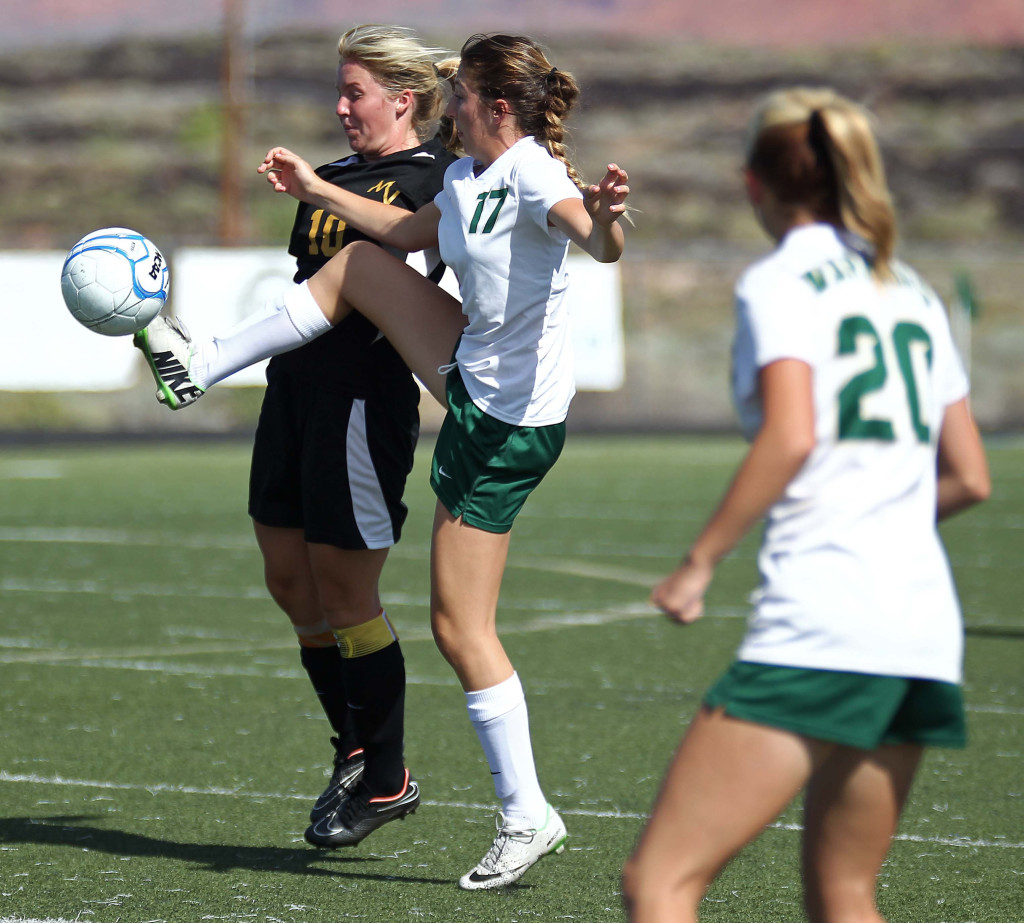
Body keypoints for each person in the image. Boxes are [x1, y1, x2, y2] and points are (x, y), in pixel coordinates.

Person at [134, 33, 629, 889]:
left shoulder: (531, 173)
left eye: (462, 99)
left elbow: (598, 241)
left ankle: (526, 816)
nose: (451, 110)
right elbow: (401, 229)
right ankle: (201, 362)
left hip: (506, 424)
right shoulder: (467, 177)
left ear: (495, 108)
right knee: (361, 261)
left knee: (459, 628)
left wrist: (611, 214)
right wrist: (317, 186)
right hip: (468, 373)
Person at [621, 87, 990, 923]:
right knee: (845, 893)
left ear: (755, 184)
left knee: (661, 883)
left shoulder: (779, 282)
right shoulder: (911, 289)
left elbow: (790, 435)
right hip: (922, 626)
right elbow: (970, 476)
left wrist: (699, 561)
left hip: (828, 620)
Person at [143, 25, 460, 850]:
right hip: (294, 393)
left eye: (355, 92)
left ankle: (385, 776)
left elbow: (404, 253)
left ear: (405, 99)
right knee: (290, 582)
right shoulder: (345, 175)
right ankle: (354, 746)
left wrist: (317, 188)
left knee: (347, 593)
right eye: (341, 91)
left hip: (362, 400)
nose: (341, 106)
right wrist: (321, 186)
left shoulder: (435, 178)